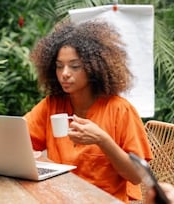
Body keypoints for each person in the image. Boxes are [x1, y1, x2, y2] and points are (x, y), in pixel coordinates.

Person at [24, 20, 153, 203]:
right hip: (59, 198)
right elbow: (19, 141)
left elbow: (137, 176)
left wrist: (102, 140)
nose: (65, 73)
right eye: (59, 66)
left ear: (94, 68)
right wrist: (38, 160)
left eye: (75, 66)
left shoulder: (120, 110)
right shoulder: (51, 105)